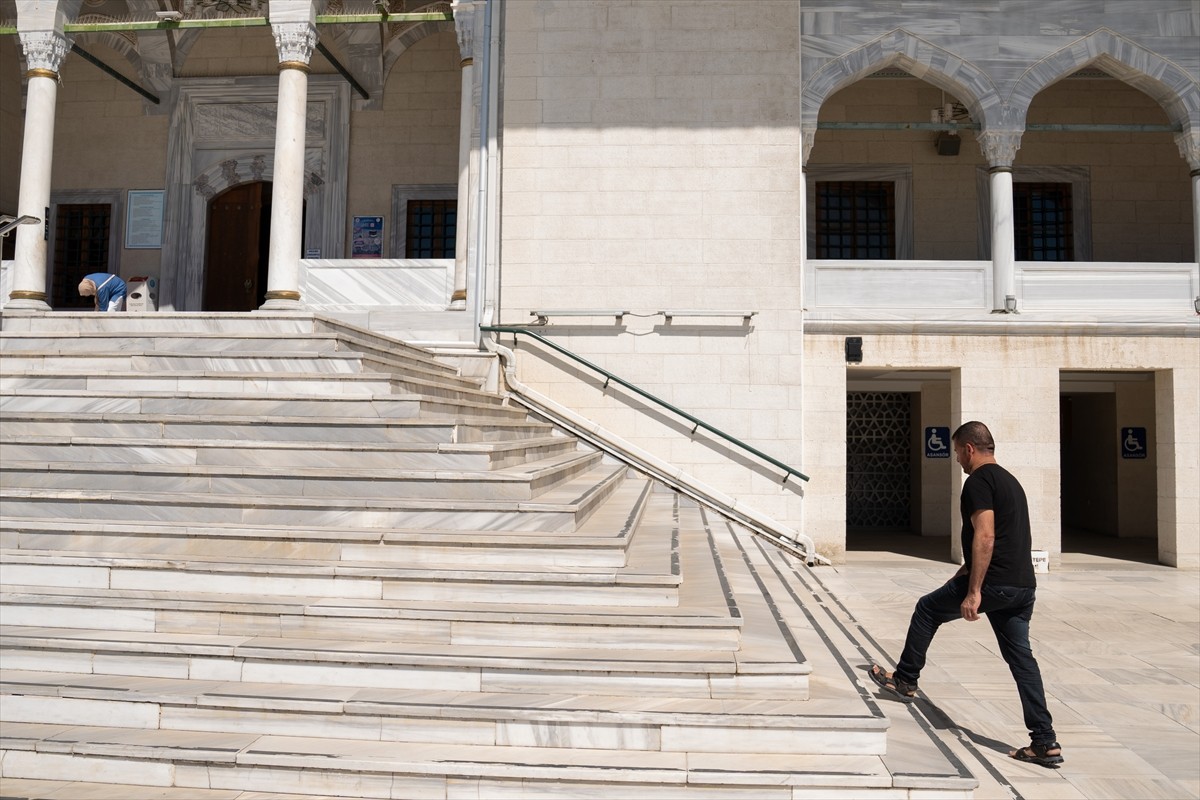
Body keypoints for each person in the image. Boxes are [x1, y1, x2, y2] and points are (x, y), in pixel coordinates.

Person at [869, 421, 1063, 767]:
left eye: (958, 451)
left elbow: (986, 536)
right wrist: (965, 571)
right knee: (1023, 661)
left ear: (969, 448)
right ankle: (1045, 741)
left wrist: (974, 591)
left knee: (927, 609)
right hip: (1022, 586)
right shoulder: (1010, 481)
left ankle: (905, 679)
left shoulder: (978, 482)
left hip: (994, 583)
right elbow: (1008, 536)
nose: (957, 458)